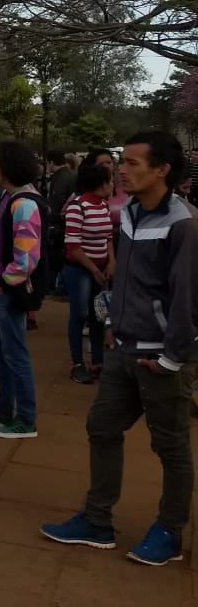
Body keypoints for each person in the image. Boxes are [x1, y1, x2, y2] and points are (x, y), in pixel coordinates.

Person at [42, 131, 198, 567]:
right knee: (102, 428)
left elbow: (187, 298)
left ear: (162, 169)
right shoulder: (129, 213)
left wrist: (171, 358)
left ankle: (169, 531)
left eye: (131, 163)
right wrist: (113, 321)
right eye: (120, 162)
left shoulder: (183, 222)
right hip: (122, 348)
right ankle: (97, 521)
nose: (120, 170)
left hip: (160, 358)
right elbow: (125, 275)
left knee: (171, 447)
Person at [0, 141, 45, 441]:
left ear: (6, 166)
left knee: (15, 354)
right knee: (0, 351)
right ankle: (4, 408)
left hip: (6, 290)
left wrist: (4, 283)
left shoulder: (23, 202)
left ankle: (26, 418)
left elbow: (27, 257)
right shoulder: (8, 197)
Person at [62, 161, 115, 384]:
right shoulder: (78, 206)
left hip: (100, 270)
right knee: (79, 315)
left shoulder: (103, 205)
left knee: (98, 315)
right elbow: (73, 247)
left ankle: (97, 361)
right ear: (102, 184)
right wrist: (94, 269)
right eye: (110, 181)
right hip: (80, 270)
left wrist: (112, 261)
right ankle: (78, 363)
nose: (113, 185)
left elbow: (108, 236)